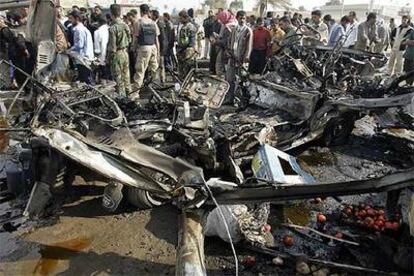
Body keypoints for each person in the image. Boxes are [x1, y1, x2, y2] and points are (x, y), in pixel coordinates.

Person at [226, 10, 252, 101]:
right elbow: (230, 42)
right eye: (240, 18)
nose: (242, 20)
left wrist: (245, 59)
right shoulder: (234, 29)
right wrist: (229, 52)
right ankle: (229, 99)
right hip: (232, 58)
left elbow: (249, 47)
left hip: (241, 60)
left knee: (240, 80)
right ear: (237, 18)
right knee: (229, 79)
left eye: (244, 18)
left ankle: (240, 101)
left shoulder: (248, 30)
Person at [133, 4, 160, 88]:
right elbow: (157, 40)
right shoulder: (153, 23)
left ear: (140, 12)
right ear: (148, 12)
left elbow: (135, 39)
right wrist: (158, 52)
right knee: (154, 70)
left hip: (144, 48)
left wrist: (134, 49)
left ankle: (135, 95)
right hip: (153, 48)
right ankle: (157, 89)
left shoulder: (138, 22)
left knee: (140, 72)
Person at [107, 4, 131, 97]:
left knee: (118, 78)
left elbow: (112, 47)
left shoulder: (113, 28)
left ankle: (122, 99)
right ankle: (129, 95)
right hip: (125, 52)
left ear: (111, 14)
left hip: (117, 54)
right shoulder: (125, 25)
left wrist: (108, 58)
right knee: (126, 76)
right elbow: (130, 40)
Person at [68, 10, 94, 84]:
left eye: (71, 18)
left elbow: (79, 45)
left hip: (82, 59)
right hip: (85, 58)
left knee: (87, 80)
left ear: (77, 19)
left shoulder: (79, 30)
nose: (70, 21)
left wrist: (69, 50)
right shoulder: (82, 29)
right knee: (85, 80)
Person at [215, 10, 237, 76]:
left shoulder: (228, 26)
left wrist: (216, 41)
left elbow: (226, 40)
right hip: (230, 48)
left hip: (226, 49)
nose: (220, 21)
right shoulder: (232, 23)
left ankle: (223, 80)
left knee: (221, 64)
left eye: (221, 19)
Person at [176, 10, 197, 78]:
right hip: (188, 49)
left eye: (181, 18)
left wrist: (179, 49)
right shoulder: (190, 26)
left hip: (187, 50)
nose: (180, 20)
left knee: (185, 70)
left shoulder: (186, 27)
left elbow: (185, 41)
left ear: (185, 18)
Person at [151, 10, 167, 84]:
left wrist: (161, 51)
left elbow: (162, 38)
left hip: (160, 49)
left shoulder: (159, 24)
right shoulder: (155, 23)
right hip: (157, 49)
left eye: (151, 14)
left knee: (160, 66)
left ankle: (162, 81)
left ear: (154, 16)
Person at [94, 15, 109, 84]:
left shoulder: (97, 32)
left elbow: (97, 48)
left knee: (102, 74)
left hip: (101, 56)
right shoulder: (110, 29)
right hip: (110, 55)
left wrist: (96, 57)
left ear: (98, 22)